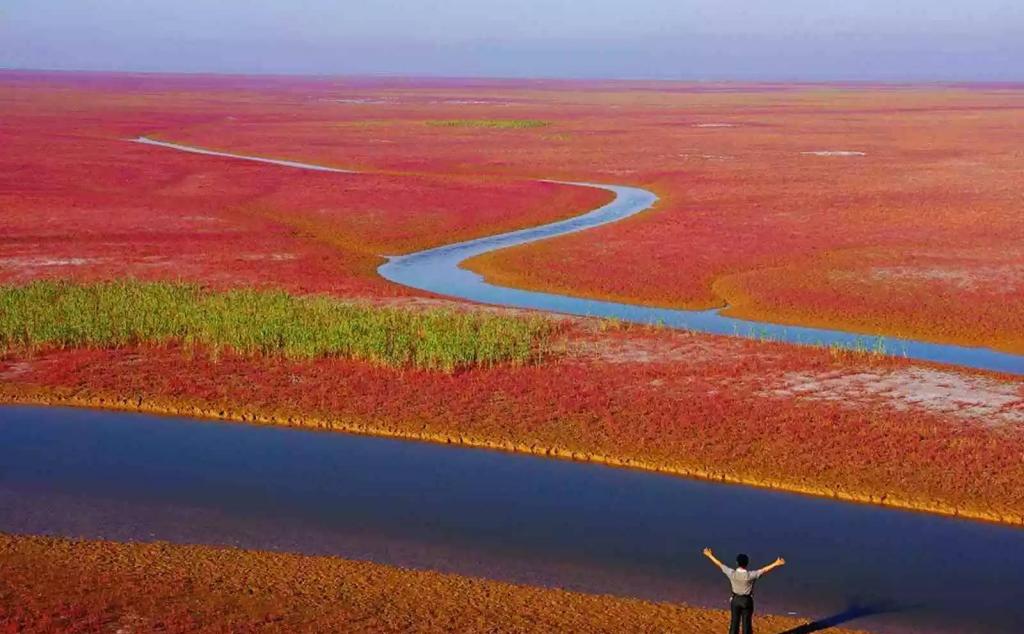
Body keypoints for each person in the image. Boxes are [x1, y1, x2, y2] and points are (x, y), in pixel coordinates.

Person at [702, 547, 786, 634]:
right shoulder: (750, 575)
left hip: (735, 600)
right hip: (747, 601)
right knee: (747, 624)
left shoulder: (732, 573)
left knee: (734, 623)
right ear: (747, 563)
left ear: (737, 563)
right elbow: (764, 570)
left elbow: (720, 564)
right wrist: (776, 563)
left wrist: (710, 555)